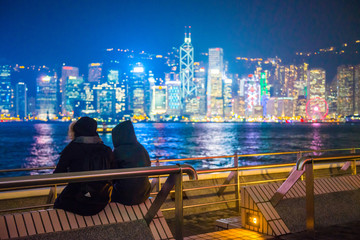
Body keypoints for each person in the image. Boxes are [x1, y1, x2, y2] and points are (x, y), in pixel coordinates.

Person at [53, 117, 113, 215]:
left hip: (79, 201)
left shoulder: (72, 149)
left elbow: (57, 175)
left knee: (58, 204)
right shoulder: (106, 150)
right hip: (101, 200)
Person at [111, 120, 151, 205]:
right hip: (143, 194)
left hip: (124, 197)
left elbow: (112, 177)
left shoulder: (118, 151)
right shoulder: (141, 148)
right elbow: (148, 164)